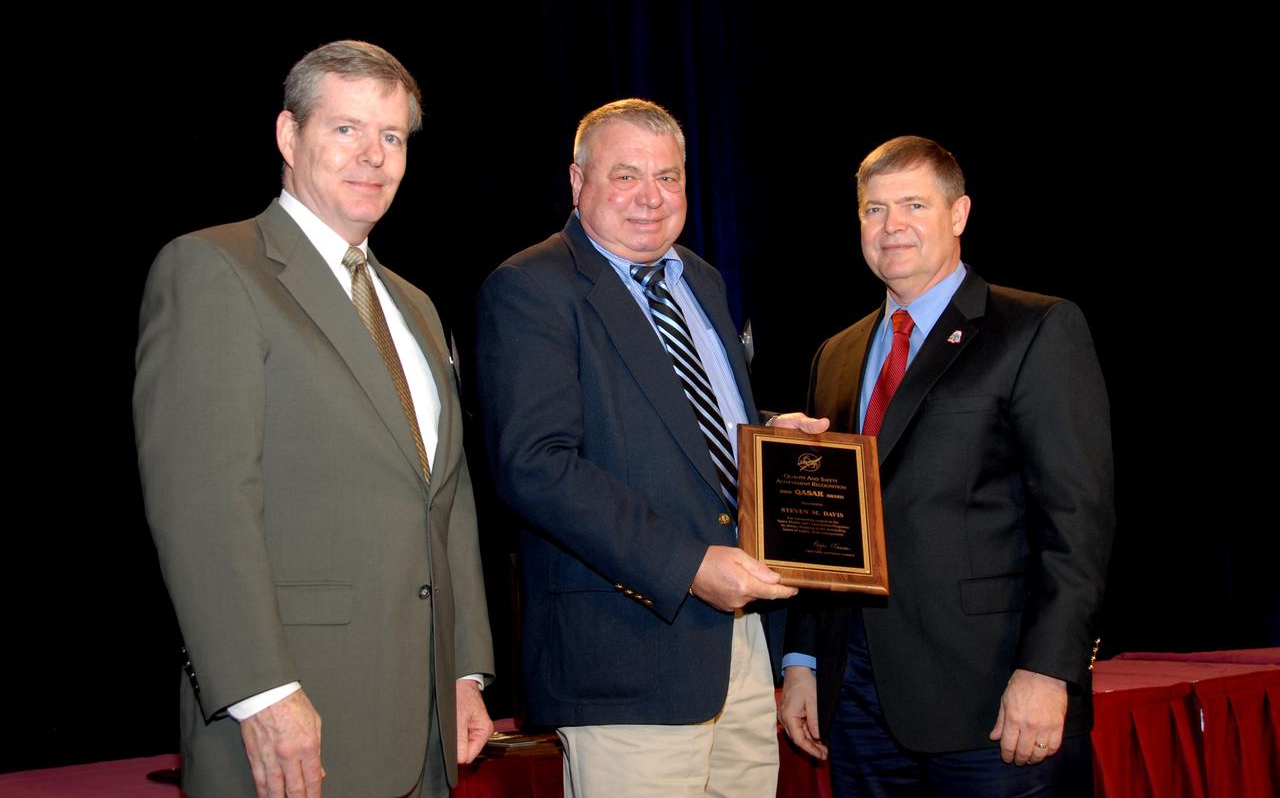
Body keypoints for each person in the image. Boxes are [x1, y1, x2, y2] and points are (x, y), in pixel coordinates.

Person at [134, 40, 494, 798]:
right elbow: (203, 503)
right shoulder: (215, 269)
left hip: (421, 722)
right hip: (290, 724)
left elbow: (444, 497)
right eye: (346, 130)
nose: (373, 156)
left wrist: (462, 669)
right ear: (288, 136)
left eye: (391, 137)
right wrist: (260, 693)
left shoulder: (416, 306)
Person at [474, 98, 826, 797]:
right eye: (626, 175)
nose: (651, 198)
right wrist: (690, 565)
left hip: (738, 646)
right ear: (578, 183)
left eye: (668, 177)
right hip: (624, 653)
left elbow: (681, 419)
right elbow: (536, 465)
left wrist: (763, 433)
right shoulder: (531, 287)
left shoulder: (699, 278)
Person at [779, 136, 1114, 796]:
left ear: (958, 214)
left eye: (913, 204)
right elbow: (827, 534)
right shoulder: (835, 356)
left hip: (994, 704)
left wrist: (1050, 672)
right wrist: (802, 661)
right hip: (859, 709)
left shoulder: (1035, 328)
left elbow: (1077, 523)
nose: (891, 226)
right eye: (874, 210)